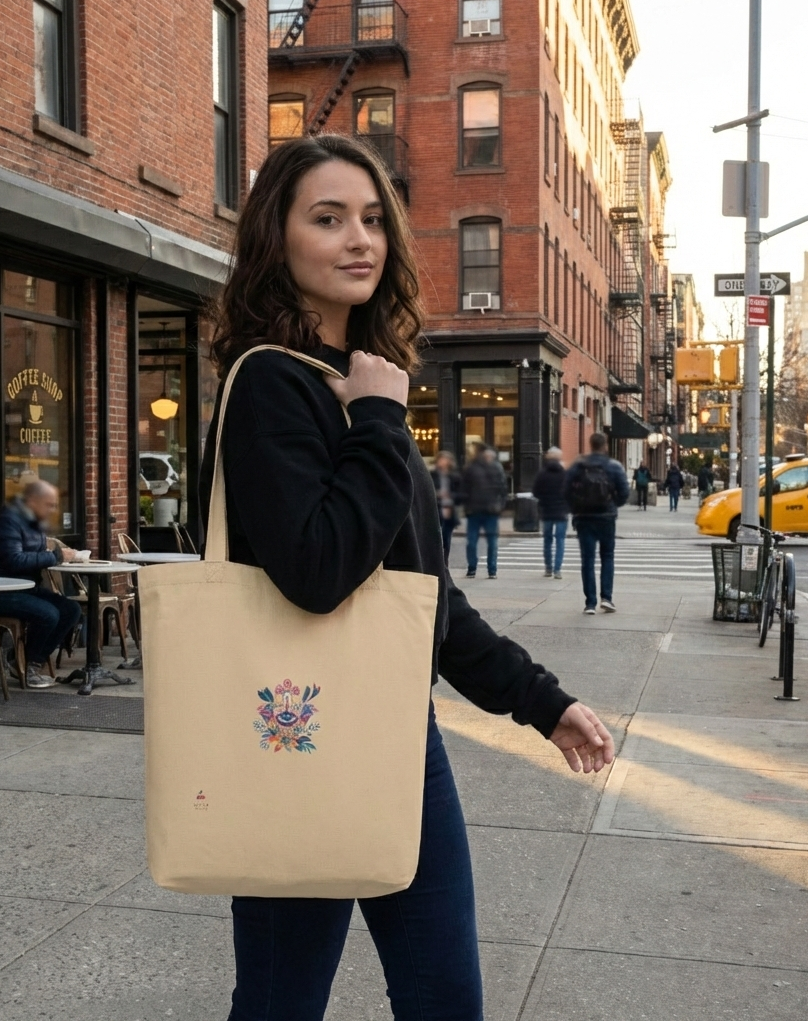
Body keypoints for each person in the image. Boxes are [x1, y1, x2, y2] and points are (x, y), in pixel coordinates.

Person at [201, 134, 614, 1021]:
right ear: (278, 237)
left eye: (372, 219)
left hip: (401, 739)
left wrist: (543, 701)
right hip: (295, 737)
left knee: (445, 999)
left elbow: (422, 595)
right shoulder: (275, 383)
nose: (361, 239)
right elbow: (318, 572)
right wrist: (382, 420)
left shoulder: (359, 383)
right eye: (327, 218)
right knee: (281, 1003)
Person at [0, 480, 83, 688]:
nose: (53, 509)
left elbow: (34, 554)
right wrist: (56, 557)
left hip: (23, 586)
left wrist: (56, 555)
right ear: (33, 501)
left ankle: (29, 661)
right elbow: (14, 560)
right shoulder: (9, 521)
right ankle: (25, 666)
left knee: (71, 609)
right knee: (48, 614)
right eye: (49, 504)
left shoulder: (34, 522)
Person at [564, 432, 629, 614]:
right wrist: (612, 504)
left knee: (588, 560)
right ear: (605, 445)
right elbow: (624, 492)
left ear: (590, 445)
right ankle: (606, 598)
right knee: (607, 556)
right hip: (606, 518)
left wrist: (575, 508)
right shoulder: (614, 466)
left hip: (584, 518)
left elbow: (566, 490)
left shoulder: (578, 465)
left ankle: (590, 603)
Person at [462, 443, 508, 579]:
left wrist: (500, 505)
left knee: (492, 542)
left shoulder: (496, 468)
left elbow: (503, 489)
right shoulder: (472, 468)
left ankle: (491, 570)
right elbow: (465, 488)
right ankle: (472, 568)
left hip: (490, 511)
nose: (488, 457)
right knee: (472, 542)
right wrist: (467, 506)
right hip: (475, 510)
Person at [531, 447, 568, 578]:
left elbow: (535, 492)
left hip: (546, 511)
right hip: (561, 512)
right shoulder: (564, 474)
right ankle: (557, 570)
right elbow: (569, 492)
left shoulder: (542, 474)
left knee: (547, 541)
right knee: (560, 541)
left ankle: (548, 568)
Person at [429, 450, 462, 565]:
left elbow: (461, 495)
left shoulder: (454, 477)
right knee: (435, 538)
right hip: (436, 509)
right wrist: (437, 494)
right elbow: (426, 492)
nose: (442, 462)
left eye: (445, 460)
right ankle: (436, 562)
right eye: (440, 460)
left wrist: (450, 495)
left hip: (449, 509)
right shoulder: (431, 475)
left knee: (446, 538)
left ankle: (445, 563)